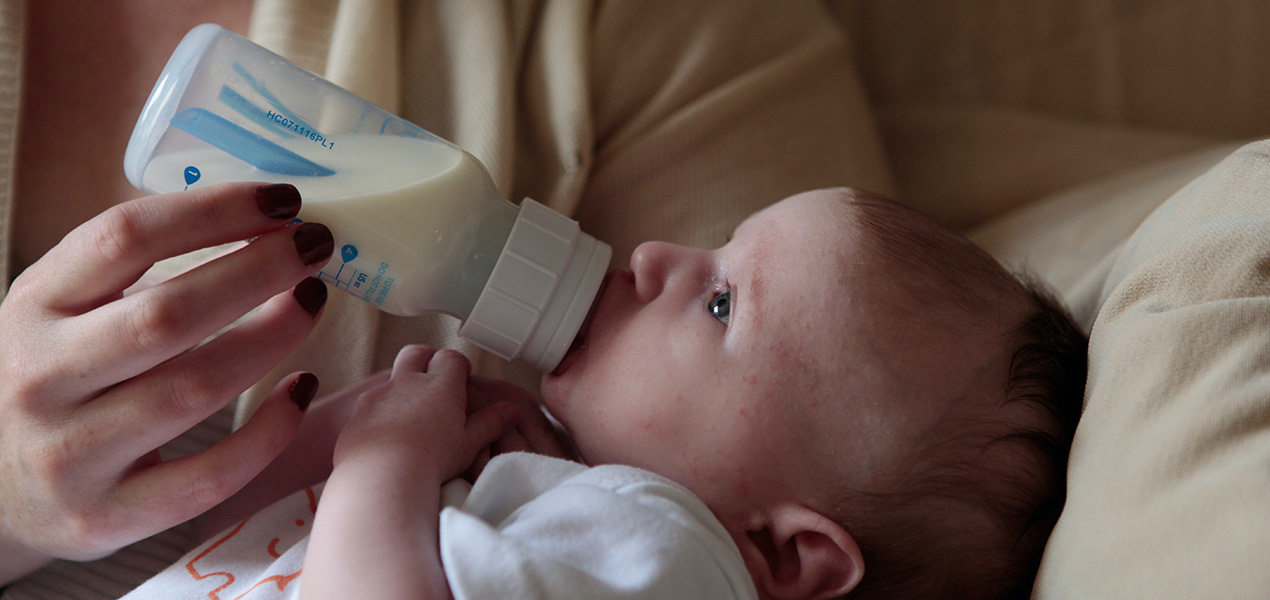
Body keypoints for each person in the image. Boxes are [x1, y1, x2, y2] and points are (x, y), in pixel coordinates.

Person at [117, 187, 1088, 600]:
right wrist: (345, 441)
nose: (656, 253)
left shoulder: (672, 559)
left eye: (718, 304)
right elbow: (224, 552)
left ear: (779, 553)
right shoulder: (569, 512)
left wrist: (386, 462)